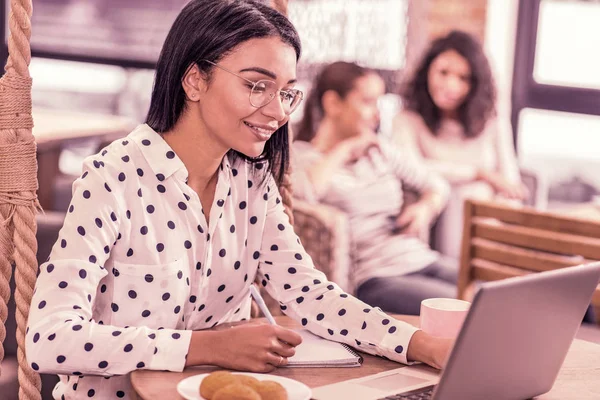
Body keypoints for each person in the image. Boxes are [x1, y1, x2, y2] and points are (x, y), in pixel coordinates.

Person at [25, 2, 452, 399]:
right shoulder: (112, 177)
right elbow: (49, 339)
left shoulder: (251, 181)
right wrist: (211, 346)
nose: (278, 111)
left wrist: (421, 345)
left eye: (286, 92)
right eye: (256, 86)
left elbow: (308, 293)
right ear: (195, 80)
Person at [293, 61, 456, 318]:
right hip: (374, 277)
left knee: (487, 291)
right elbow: (303, 195)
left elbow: (437, 185)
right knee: (466, 308)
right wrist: (345, 149)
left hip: (417, 257)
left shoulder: (379, 151)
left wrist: (425, 208)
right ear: (333, 103)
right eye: (368, 102)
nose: (377, 114)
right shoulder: (303, 157)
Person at [392, 30, 528, 260]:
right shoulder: (407, 119)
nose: (450, 85)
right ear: (427, 71)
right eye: (443, 72)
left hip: (488, 229)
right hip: (433, 223)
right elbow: (410, 168)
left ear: (475, 83)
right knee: (458, 192)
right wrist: (479, 174)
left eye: (463, 78)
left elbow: (509, 181)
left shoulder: (491, 119)